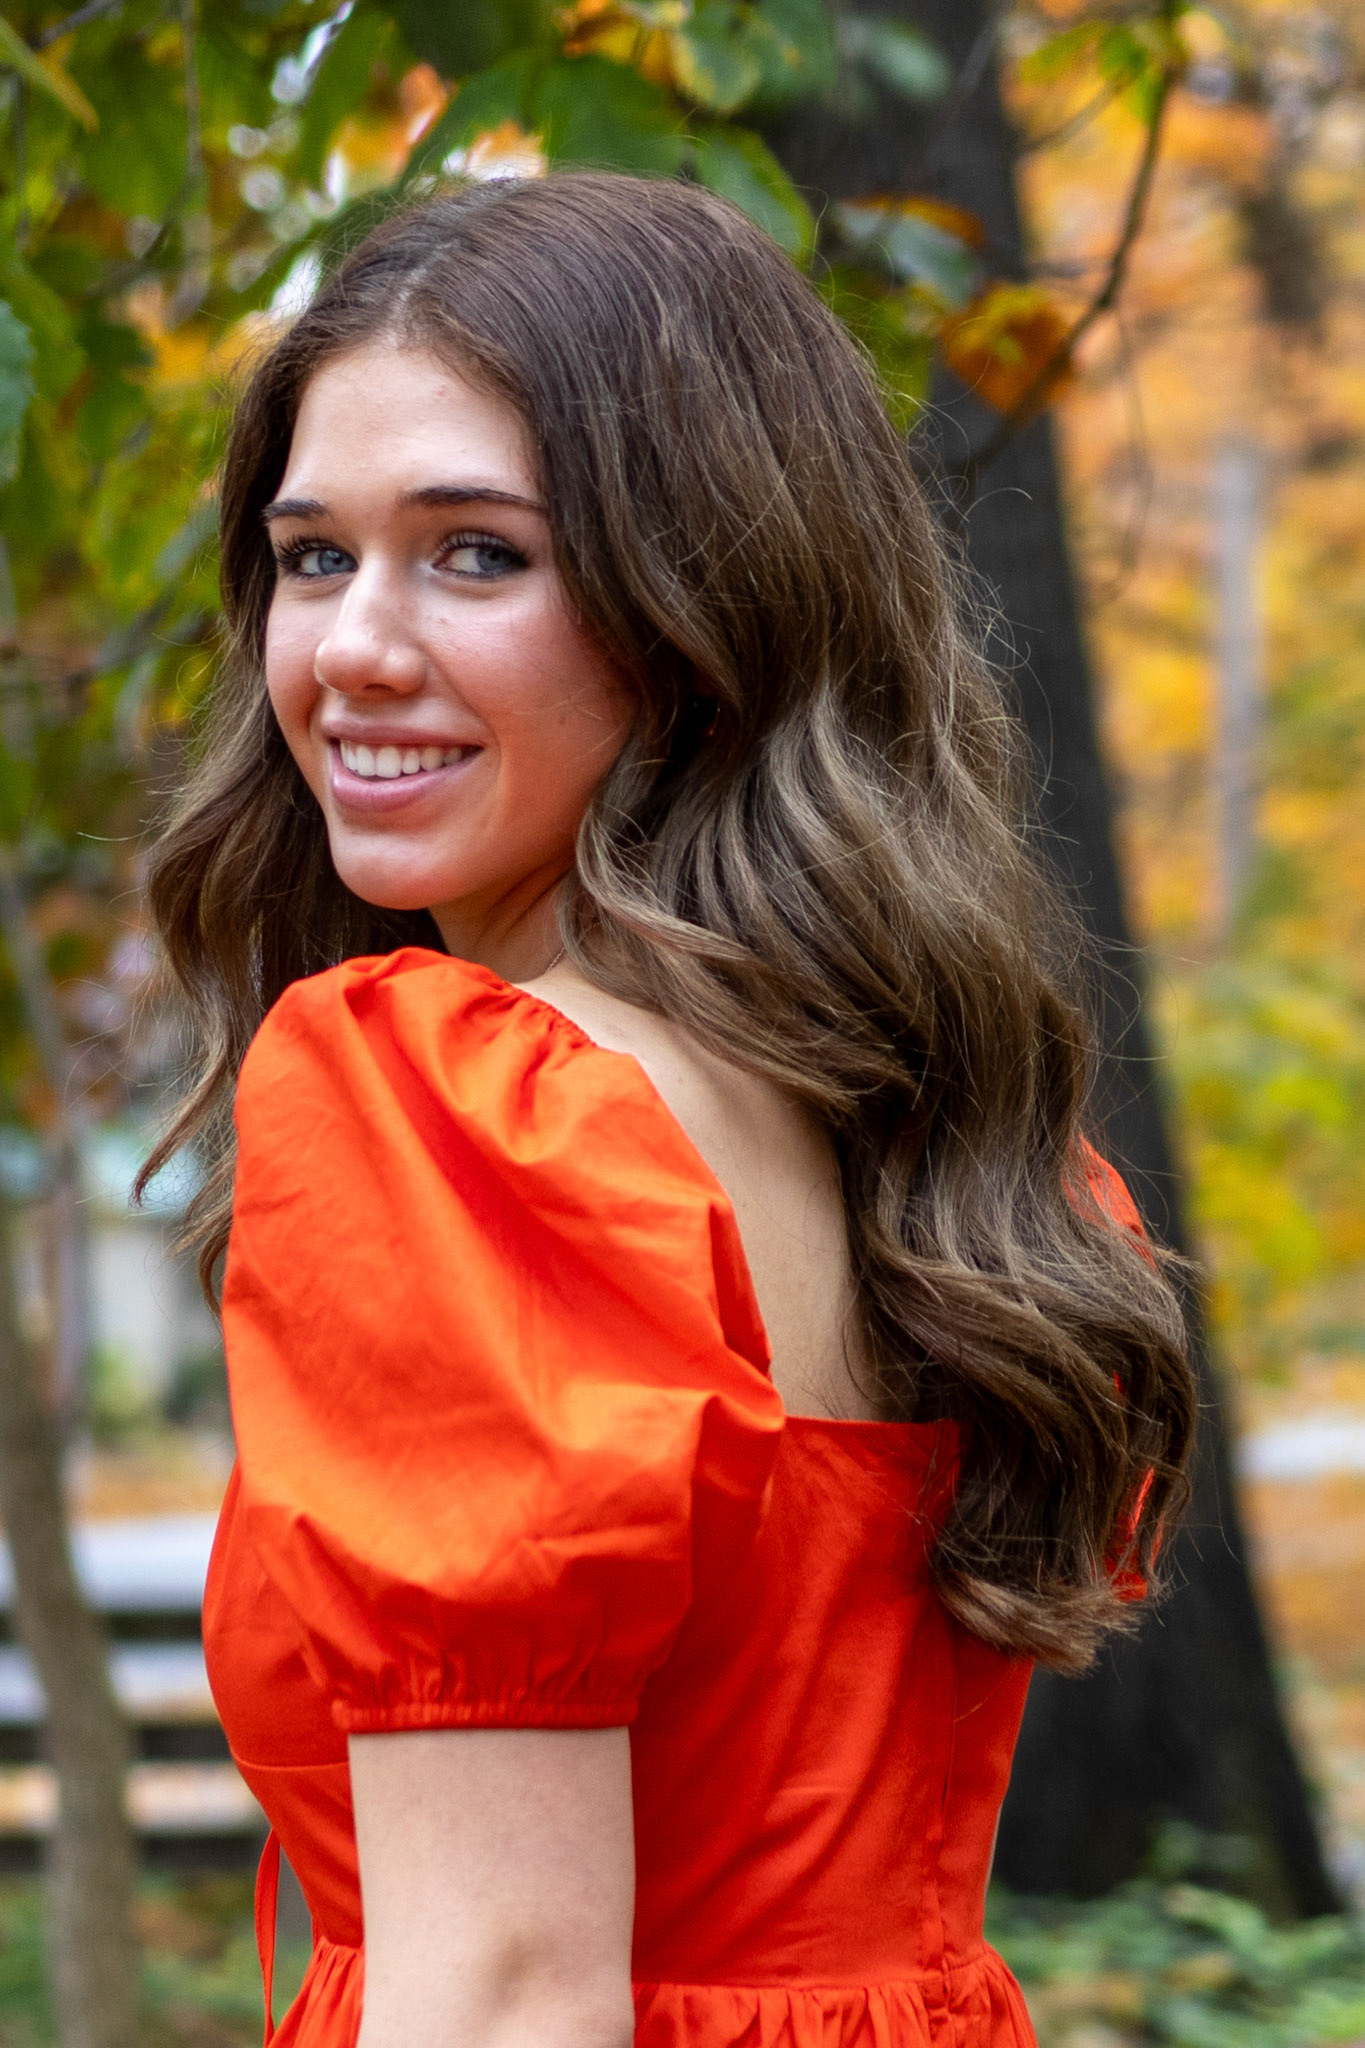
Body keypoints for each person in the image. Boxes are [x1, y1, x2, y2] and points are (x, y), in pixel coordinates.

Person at [140, 171, 1195, 2048]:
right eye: (312, 558)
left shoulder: (476, 1125)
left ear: (709, 605)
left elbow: (504, 1992)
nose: (353, 646)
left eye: (478, 555)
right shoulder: (959, 1152)